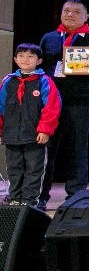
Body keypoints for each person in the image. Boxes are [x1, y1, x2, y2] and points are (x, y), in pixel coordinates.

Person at [38, 0, 89, 210]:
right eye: (66, 10)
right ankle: (40, 197)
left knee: (77, 150)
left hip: (80, 104)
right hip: (49, 105)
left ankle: (76, 198)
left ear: (86, 16)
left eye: (76, 11)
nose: (70, 14)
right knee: (46, 151)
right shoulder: (49, 38)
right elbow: (38, 67)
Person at [1, 44, 62, 206]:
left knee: (34, 169)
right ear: (15, 59)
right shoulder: (8, 81)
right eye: (21, 56)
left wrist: (45, 130)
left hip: (35, 136)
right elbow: (1, 107)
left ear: (39, 60)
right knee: (14, 169)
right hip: (12, 135)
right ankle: (15, 199)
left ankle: (29, 201)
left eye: (30, 56)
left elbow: (52, 107)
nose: (25, 59)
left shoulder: (44, 81)